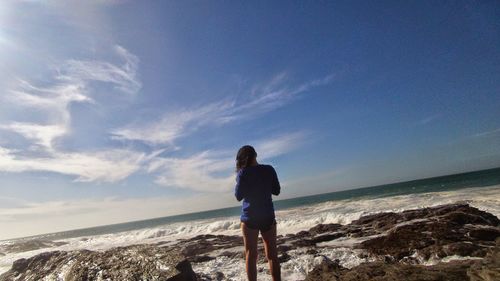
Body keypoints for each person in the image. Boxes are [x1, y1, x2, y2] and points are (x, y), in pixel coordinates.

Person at [234, 145, 281, 281]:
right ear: (256, 155)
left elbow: (238, 196)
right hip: (267, 216)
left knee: (251, 255)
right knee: (272, 255)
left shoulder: (243, 173)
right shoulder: (269, 169)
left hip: (250, 218)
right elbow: (276, 191)